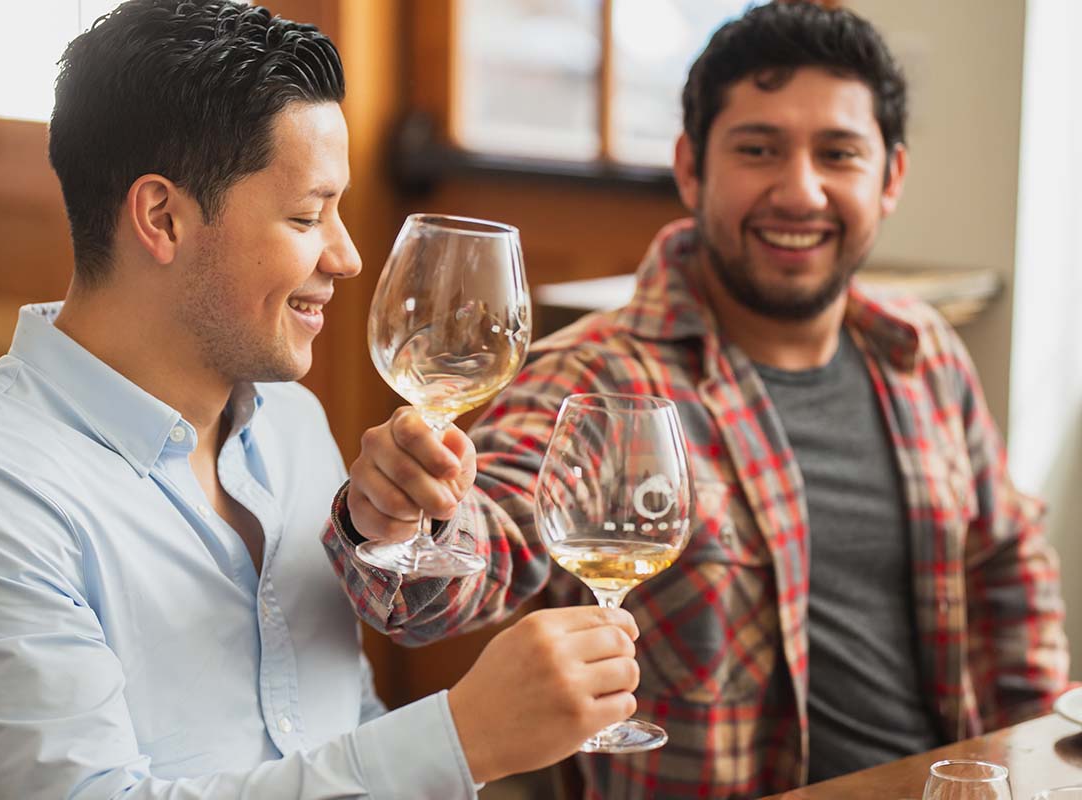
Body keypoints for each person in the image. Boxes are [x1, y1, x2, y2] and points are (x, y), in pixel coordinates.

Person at [0, 1, 645, 797]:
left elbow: (338, 724)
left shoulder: (290, 422)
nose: (347, 256)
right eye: (308, 215)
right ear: (163, 217)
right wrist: (464, 739)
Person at [323, 2, 1069, 798]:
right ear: (690, 167)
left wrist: (1033, 767)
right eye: (759, 149)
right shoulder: (596, 377)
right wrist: (405, 514)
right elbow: (476, 552)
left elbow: (1004, 573)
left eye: (839, 154)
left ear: (891, 179)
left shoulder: (924, 354)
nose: (800, 191)